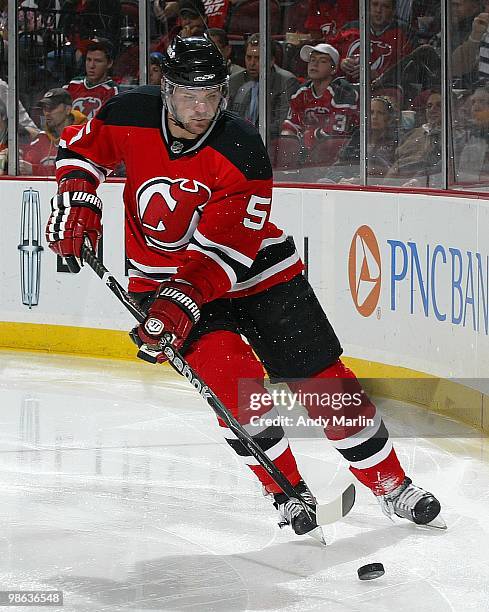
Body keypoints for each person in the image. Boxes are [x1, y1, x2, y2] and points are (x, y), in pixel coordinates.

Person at [45, 34, 444, 541]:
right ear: (166, 89)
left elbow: (225, 255)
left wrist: (180, 303)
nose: (199, 108)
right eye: (188, 95)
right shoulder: (129, 112)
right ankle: (286, 492)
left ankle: (390, 484)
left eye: (211, 96)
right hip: (164, 280)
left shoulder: (242, 149)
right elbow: (80, 152)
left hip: (257, 274)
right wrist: (78, 199)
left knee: (324, 383)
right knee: (238, 392)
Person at [281, 43, 358, 148]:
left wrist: (311, 135)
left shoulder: (343, 92)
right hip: (307, 153)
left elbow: (337, 133)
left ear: (333, 69)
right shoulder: (301, 92)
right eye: (312, 60)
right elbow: (290, 127)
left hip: (339, 156)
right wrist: (289, 139)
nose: (315, 64)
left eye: (322, 61)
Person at [229, 33, 300, 137]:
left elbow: (282, 122)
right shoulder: (235, 80)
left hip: (269, 140)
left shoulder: (286, 81)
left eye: (258, 58)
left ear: (271, 61)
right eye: (249, 57)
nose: (252, 63)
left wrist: (251, 132)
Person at [321, 95, 400, 183]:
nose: (374, 117)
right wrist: (341, 180)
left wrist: (361, 181)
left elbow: (395, 171)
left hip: (376, 188)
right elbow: (338, 166)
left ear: (389, 118)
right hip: (346, 183)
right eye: (371, 112)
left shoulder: (396, 139)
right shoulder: (358, 136)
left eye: (380, 113)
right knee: (323, 181)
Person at [22, 88, 87, 176]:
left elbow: (77, 171)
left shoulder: (85, 137)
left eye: (52, 108)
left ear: (68, 109)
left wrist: (35, 170)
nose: (47, 113)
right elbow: (25, 163)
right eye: (45, 108)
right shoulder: (42, 139)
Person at [64, 38, 118, 119]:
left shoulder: (112, 91)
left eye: (98, 61)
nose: (91, 66)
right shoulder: (74, 84)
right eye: (88, 60)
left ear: (109, 63)